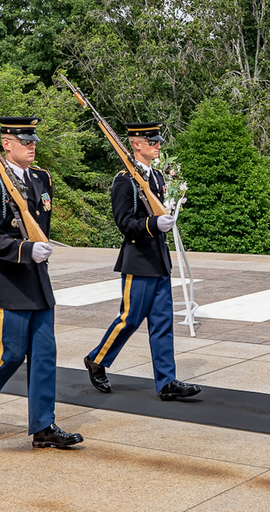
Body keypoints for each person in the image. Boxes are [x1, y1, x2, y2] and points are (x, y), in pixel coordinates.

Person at [0, 117, 82, 448]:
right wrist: (27, 249)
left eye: (33, 139)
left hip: (37, 282)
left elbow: (40, 225)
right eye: (23, 140)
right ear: (6, 144)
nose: (31, 144)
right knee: (10, 353)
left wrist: (39, 247)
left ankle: (44, 426)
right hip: (7, 280)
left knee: (44, 354)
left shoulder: (42, 179)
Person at [84, 122, 201, 401]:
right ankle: (97, 360)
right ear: (136, 144)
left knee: (163, 323)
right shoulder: (125, 180)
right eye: (152, 141)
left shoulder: (158, 177)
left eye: (158, 141)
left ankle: (166, 382)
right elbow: (125, 223)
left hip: (159, 260)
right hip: (137, 261)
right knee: (129, 319)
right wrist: (154, 224)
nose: (158, 145)